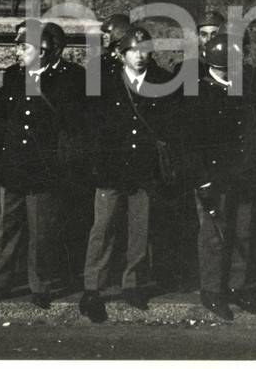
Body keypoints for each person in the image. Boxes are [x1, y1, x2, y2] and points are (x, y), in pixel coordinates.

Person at [0, 20, 86, 309]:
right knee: (6, 229)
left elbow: (73, 122)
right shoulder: (13, 76)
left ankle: (40, 287)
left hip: (45, 168)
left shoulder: (70, 77)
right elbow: (0, 117)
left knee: (41, 232)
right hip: (13, 164)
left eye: (23, 46)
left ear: (45, 49)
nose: (17, 51)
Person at [79, 25, 178, 322]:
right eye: (133, 51)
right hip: (111, 167)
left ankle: (132, 284)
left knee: (140, 227)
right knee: (103, 227)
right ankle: (92, 288)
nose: (139, 56)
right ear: (121, 54)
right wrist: (97, 161)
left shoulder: (162, 81)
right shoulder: (105, 81)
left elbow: (168, 123)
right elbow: (92, 124)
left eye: (144, 50)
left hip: (144, 167)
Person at [185, 31, 256, 320]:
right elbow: (190, 141)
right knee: (213, 236)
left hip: (243, 173)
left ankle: (236, 287)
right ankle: (211, 291)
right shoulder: (198, 91)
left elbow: (254, 130)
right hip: (214, 176)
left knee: (243, 232)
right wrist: (202, 177)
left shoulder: (247, 87)